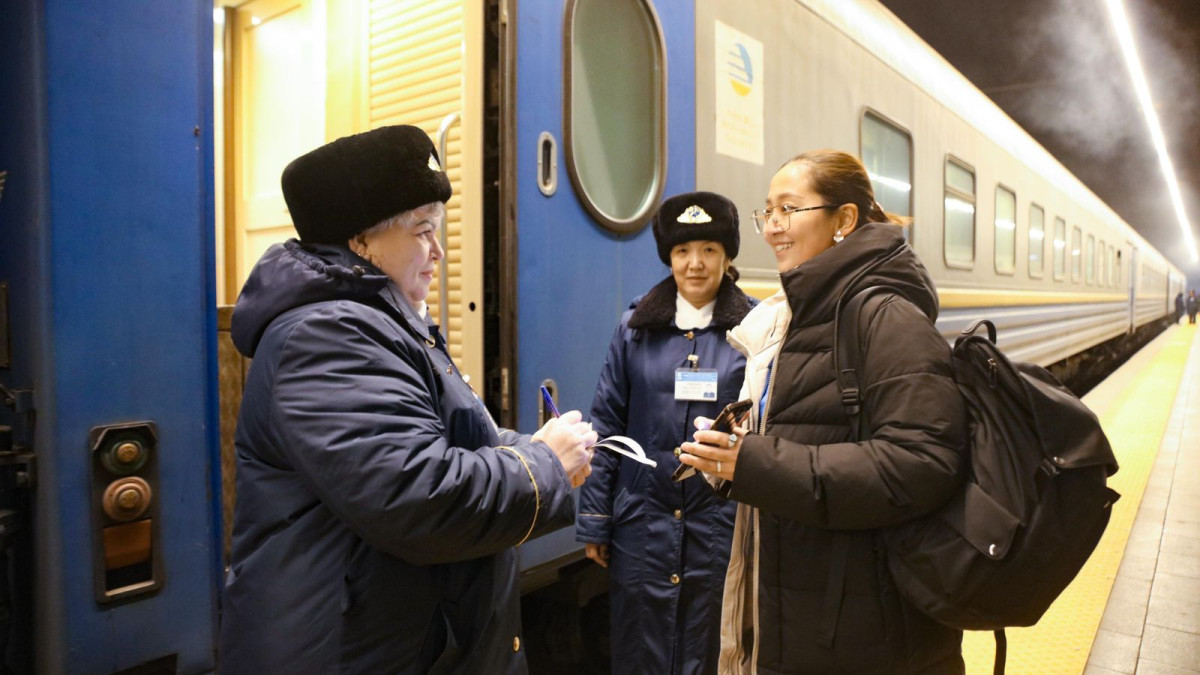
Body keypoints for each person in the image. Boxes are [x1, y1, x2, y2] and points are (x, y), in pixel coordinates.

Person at [219, 125, 597, 673]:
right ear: (361, 241)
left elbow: (443, 438)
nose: (439, 251)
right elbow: (417, 495)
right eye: (423, 231)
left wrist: (534, 447)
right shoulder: (328, 335)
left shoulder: (378, 322)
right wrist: (544, 466)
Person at [679, 150, 969, 673]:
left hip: (867, 631)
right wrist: (729, 461)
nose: (771, 228)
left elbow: (924, 461)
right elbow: (802, 440)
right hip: (802, 611)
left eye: (788, 210)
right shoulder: (794, 318)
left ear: (845, 220)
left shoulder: (886, 316)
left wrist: (757, 464)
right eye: (767, 212)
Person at [577, 192, 755, 674]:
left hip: (721, 523)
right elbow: (607, 421)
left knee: (709, 645)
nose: (695, 264)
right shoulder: (634, 327)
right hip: (642, 523)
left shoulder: (755, 331)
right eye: (682, 252)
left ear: (727, 255)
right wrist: (595, 515)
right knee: (640, 646)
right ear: (668, 257)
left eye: (709, 250)